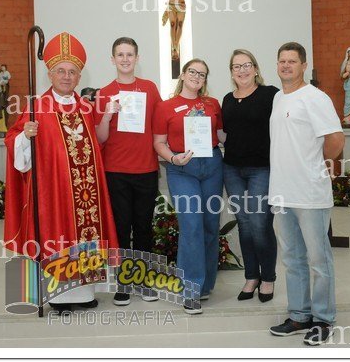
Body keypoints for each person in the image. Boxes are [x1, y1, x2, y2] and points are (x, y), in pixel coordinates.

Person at [3, 31, 119, 314]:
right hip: (52, 192)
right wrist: (25, 135)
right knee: (57, 237)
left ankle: (85, 293)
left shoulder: (86, 107)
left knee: (86, 238)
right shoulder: (36, 108)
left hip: (86, 195)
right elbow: (14, 143)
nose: (67, 77)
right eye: (61, 71)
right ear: (50, 75)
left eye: (72, 72)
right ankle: (58, 296)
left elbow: (96, 144)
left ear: (79, 77)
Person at [268, 42, 344, 345]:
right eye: (282, 61)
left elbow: (335, 138)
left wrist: (318, 163)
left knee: (318, 260)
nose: (286, 65)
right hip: (282, 193)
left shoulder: (316, 97)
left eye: (292, 61)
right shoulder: (278, 98)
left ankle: (323, 319)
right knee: (292, 258)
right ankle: (299, 315)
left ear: (303, 65)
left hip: (310, 193)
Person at [152, 59, 225, 315]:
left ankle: (205, 284)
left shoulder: (212, 104)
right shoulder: (165, 106)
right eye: (192, 71)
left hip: (212, 165)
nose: (197, 76)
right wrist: (173, 158)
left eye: (202, 74)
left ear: (205, 79)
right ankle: (191, 290)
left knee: (210, 225)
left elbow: (222, 135)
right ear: (183, 75)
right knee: (191, 225)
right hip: (182, 168)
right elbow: (158, 142)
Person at [94, 37, 163, 306]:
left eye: (129, 54)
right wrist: (107, 114)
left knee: (143, 227)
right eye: (120, 55)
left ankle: (143, 280)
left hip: (146, 168)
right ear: (112, 59)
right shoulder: (104, 92)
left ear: (137, 58)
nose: (125, 59)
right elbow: (100, 138)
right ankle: (124, 282)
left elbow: (160, 126)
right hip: (116, 171)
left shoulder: (150, 88)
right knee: (121, 228)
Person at [221, 49, 279, 303]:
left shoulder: (270, 94)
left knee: (259, 223)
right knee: (243, 223)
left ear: (255, 69)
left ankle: (268, 278)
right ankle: (251, 276)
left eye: (246, 65)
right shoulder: (227, 99)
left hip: (261, 169)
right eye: (237, 66)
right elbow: (225, 134)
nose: (242, 70)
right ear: (231, 72)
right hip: (232, 168)